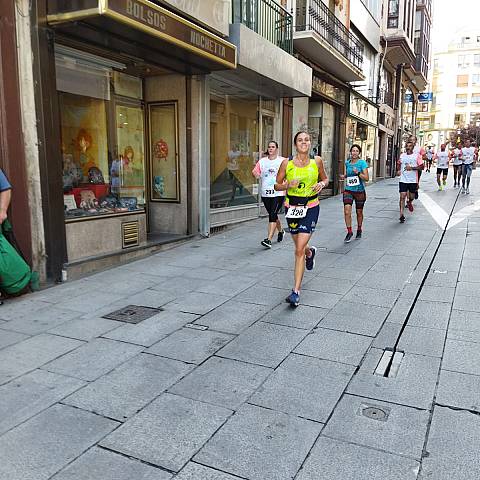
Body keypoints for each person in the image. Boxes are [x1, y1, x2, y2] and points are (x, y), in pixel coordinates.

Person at [275, 131, 328, 307]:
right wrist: (287, 185)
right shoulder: (286, 163)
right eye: (300, 140)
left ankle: (295, 292)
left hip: (311, 207)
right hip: (291, 208)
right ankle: (310, 253)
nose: (303, 142)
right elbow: (277, 185)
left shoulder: (317, 161)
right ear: (295, 143)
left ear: (310, 143)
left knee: (298, 249)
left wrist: (321, 184)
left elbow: (325, 179)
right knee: (300, 245)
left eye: (306, 140)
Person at [252, 141, 286, 248]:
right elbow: (255, 171)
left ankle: (269, 239)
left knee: (272, 215)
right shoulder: (262, 161)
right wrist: (257, 174)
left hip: (278, 192)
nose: (271, 149)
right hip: (265, 192)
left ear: (277, 149)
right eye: (269, 147)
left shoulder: (282, 161)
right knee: (273, 215)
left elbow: (289, 173)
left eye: (273, 147)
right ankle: (281, 231)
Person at [339, 144, 369, 242]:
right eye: (353, 151)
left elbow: (367, 178)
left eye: (356, 151)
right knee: (347, 211)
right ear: (350, 152)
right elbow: (350, 175)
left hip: (359, 191)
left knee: (359, 212)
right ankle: (349, 232)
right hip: (348, 190)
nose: (354, 153)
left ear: (359, 152)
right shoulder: (347, 163)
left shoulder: (362, 163)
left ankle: (359, 229)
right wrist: (345, 176)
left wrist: (358, 173)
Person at [397, 140, 424, 223]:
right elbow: (399, 163)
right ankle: (401, 215)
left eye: (410, 146)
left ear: (413, 148)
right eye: (407, 146)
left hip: (412, 180)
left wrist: (412, 168)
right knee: (402, 196)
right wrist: (398, 170)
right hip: (403, 179)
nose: (408, 148)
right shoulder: (402, 155)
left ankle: (409, 202)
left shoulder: (417, 156)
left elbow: (422, 167)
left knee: (411, 196)